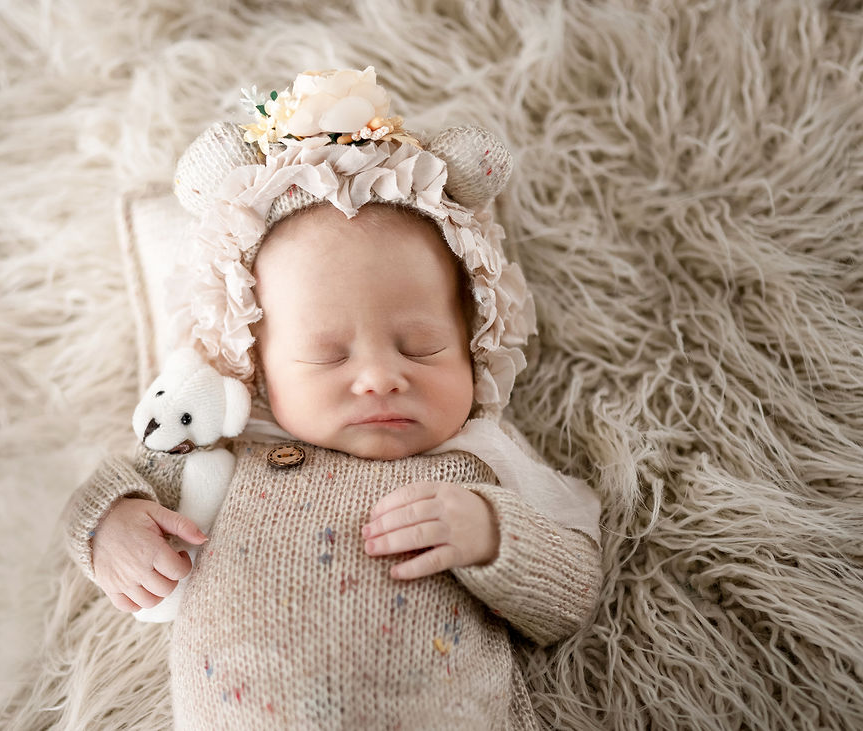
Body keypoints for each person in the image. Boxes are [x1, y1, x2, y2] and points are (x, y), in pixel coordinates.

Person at [65, 67, 603, 729]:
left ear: (477, 341)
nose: (380, 377)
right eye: (328, 354)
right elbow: (108, 492)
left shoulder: (476, 464)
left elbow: (573, 591)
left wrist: (492, 534)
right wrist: (110, 526)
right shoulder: (227, 454)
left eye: (422, 345)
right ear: (256, 363)